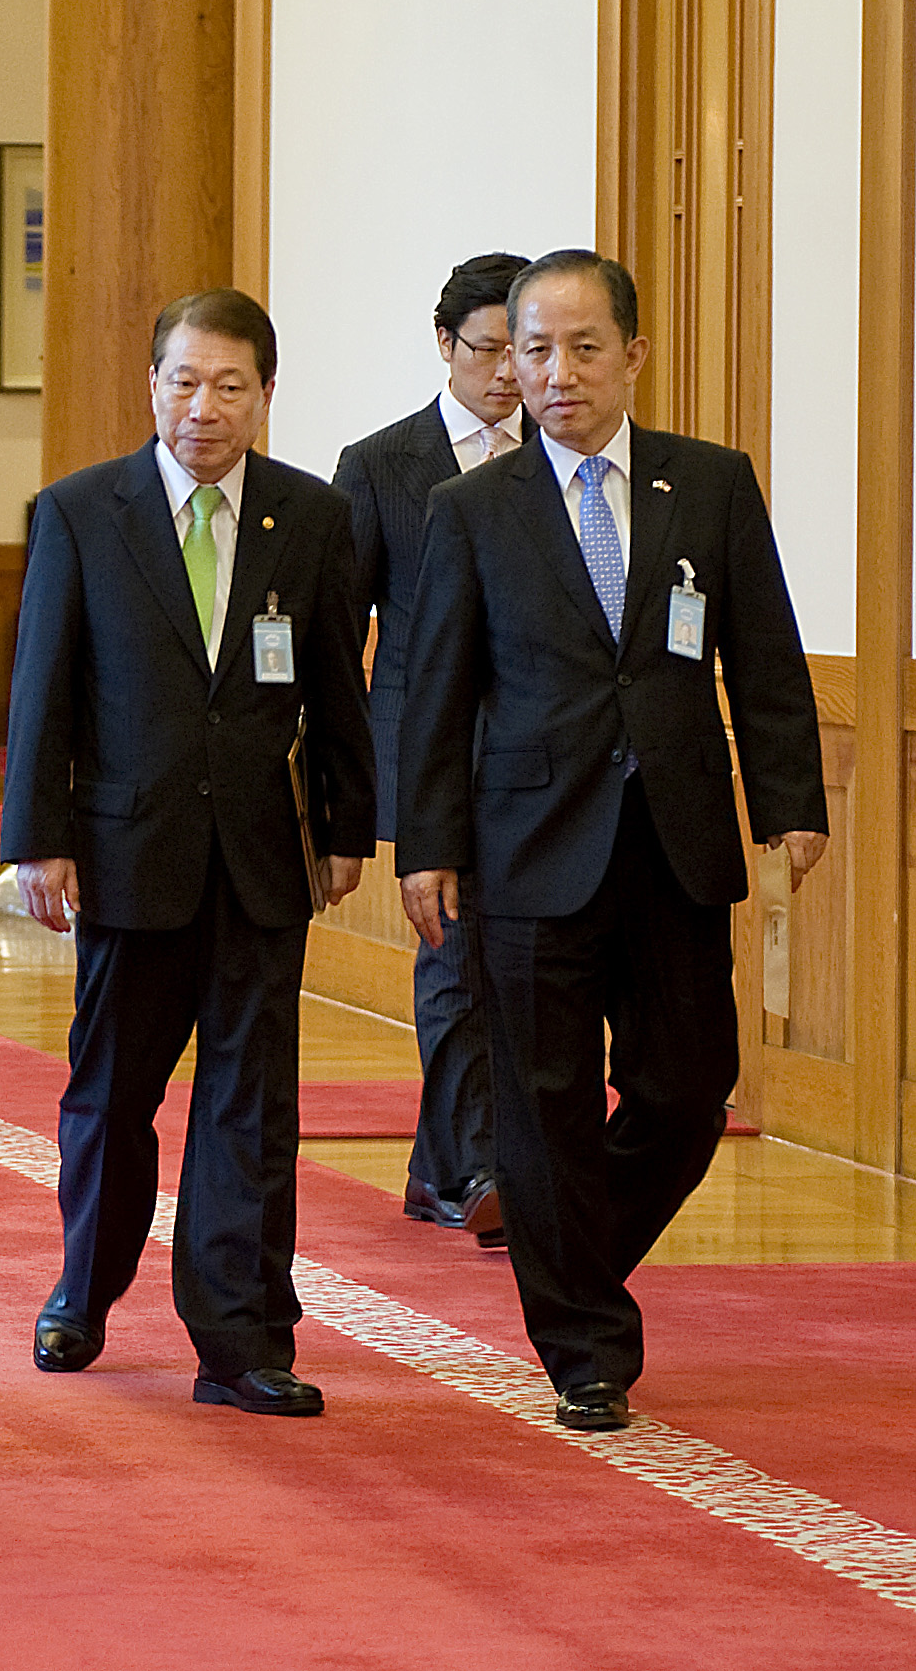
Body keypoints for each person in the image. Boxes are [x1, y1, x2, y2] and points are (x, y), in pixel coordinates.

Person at [396, 249, 826, 1433]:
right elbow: (434, 689)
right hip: (526, 848)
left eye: (584, 347)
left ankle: (573, 1264)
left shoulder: (712, 485)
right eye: (533, 349)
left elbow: (768, 653)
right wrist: (425, 845)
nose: (557, 371)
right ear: (508, 364)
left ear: (634, 354)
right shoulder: (470, 509)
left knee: (690, 1091)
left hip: (674, 840)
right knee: (540, 1106)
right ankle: (583, 1346)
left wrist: (790, 794)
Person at [3, 288, 373, 1417]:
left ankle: (243, 1336)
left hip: (261, 857)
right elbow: (43, 690)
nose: (201, 407)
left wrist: (348, 828)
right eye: (182, 380)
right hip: (125, 852)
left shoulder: (309, 520)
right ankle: (86, 1283)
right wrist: (39, 840)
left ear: (266, 396)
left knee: (249, 1104)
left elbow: (333, 693)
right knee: (112, 1095)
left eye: (228, 386)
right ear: (149, 383)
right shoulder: (80, 510)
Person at [332, 252, 529, 1250]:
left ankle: (434, 1165)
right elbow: (340, 631)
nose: (507, 373)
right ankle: (473, 1167)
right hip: (424, 751)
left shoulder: (565, 456)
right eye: (488, 348)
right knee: (454, 959)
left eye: (520, 350)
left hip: (543, 759)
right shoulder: (381, 465)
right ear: (444, 343)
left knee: (515, 961)